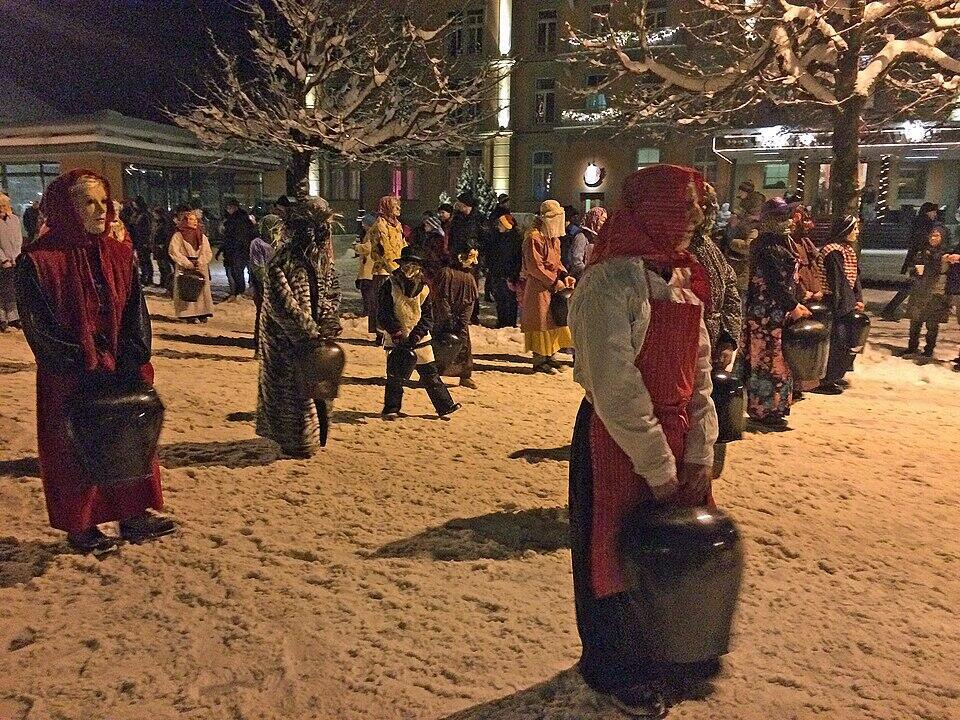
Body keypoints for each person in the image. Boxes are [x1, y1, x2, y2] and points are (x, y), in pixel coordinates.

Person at [567, 165, 719, 718]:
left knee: (670, 558)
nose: (695, 224)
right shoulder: (610, 283)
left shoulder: (678, 279)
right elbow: (612, 384)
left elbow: (699, 374)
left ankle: (665, 657)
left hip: (675, 441)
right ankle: (615, 668)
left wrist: (700, 450)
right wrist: (657, 465)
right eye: (687, 211)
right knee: (615, 554)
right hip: (619, 440)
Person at [14, 169, 173, 554]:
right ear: (67, 208)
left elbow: (136, 308)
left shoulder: (119, 251)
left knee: (129, 436)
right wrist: (79, 362)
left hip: (121, 365)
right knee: (74, 449)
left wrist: (133, 356)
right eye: (89, 202)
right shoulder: (38, 261)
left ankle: (134, 514)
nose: (101, 210)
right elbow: (40, 328)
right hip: (69, 375)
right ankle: (82, 524)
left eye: (104, 202)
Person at [256, 198, 342, 458]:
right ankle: (294, 442)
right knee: (290, 398)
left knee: (318, 393)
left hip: (314, 341)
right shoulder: (281, 263)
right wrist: (309, 332)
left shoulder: (322, 264)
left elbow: (331, 294)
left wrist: (327, 322)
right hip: (286, 344)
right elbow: (283, 306)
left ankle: (315, 436)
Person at [743, 198, 810, 429]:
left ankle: (777, 408)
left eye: (786, 217)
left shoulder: (784, 242)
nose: (787, 221)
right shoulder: (765, 245)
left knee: (779, 362)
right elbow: (774, 282)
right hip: (766, 314)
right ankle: (763, 410)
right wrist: (792, 305)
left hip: (778, 312)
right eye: (780, 217)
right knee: (766, 362)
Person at [378, 246, 461, 420]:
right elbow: (384, 313)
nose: (410, 268)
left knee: (430, 374)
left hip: (420, 339)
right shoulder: (389, 285)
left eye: (414, 265)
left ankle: (445, 406)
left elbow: (428, 317)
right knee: (395, 376)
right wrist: (396, 332)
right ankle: (391, 408)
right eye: (407, 264)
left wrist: (417, 334)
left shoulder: (424, 289)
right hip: (396, 339)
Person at [689, 187, 741, 370]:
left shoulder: (708, 245)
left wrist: (727, 338)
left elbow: (730, 290)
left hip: (712, 340)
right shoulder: (667, 247)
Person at [812, 216, 865, 394]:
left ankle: (834, 375)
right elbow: (838, 281)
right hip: (833, 301)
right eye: (854, 228)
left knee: (842, 343)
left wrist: (858, 299)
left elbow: (854, 278)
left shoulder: (847, 249)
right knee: (834, 342)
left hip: (844, 300)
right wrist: (847, 305)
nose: (857, 232)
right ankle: (824, 379)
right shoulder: (832, 251)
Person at [522, 200, 575, 373]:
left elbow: (557, 261)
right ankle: (539, 360)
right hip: (539, 287)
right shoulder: (533, 237)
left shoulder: (554, 239)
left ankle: (550, 356)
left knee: (552, 322)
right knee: (540, 323)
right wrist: (553, 280)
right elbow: (535, 266)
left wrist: (564, 276)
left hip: (552, 287)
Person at [901, 225, 959, 358]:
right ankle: (912, 347)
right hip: (920, 289)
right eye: (931, 235)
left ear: (943, 237)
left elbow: (944, 270)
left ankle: (929, 349)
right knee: (915, 320)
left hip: (936, 292)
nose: (933, 238)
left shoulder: (946, 254)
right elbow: (913, 266)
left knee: (932, 323)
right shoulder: (923, 250)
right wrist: (914, 271)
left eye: (937, 236)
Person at [882, 202, 940, 320]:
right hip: (919, 259)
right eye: (933, 212)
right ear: (928, 212)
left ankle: (903, 310)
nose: (935, 214)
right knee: (911, 286)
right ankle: (890, 310)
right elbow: (919, 243)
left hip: (916, 258)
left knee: (913, 285)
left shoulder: (920, 222)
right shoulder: (925, 224)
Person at [432, 248, 480, 389]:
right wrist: (447, 318)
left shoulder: (469, 278)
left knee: (463, 347)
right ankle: (433, 376)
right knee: (439, 346)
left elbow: (470, 302)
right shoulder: (446, 273)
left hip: (460, 320)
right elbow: (441, 298)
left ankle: (464, 375)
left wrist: (462, 321)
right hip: (442, 319)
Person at [366, 196, 406, 345]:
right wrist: (393, 268)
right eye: (396, 206)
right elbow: (384, 250)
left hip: (397, 269)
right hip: (384, 270)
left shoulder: (397, 225)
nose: (399, 209)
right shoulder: (380, 225)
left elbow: (402, 245)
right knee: (382, 301)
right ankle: (380, 333)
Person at [169, 206, 214, 323]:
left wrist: (201, 261)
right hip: (185, 266)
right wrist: (186, 263)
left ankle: (202, 312)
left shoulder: (202, 236)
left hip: (199, 266)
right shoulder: (178, 235)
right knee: (187, 288)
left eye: (195, 220)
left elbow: (207, 251)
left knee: (201, 290)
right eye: (191, 219)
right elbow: (174, 251)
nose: (194, 222)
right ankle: (188, 313)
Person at [249, 214, 284, 353]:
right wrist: (267, 284)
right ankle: (260, 346)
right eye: (274, 229)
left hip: (279, 287)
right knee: (263, 316)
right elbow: (258, 267)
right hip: (262, 287)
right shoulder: (257, 243)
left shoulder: (281, 244)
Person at [486, 213, 523, 328]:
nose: (498, 226)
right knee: (500, 299)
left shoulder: (515, 240)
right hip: (497, 273)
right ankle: (501, 321)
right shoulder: (496, 238)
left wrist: (513, 274)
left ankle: (510, 323)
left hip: (509, 275)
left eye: (501, 224)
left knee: (510, 300)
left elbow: (517, 259)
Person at [218, 197, 255, 300]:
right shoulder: (237, 219)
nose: (228, 209)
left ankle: (239, 292)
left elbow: (235, 236)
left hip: (238, 250)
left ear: (235, 207)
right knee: (236, 272)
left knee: (237, 272)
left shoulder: (237, 219)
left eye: (230, 207)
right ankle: (238, 292)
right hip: (237, 250)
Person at [0, 193, 24, 332]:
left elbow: (18, 240)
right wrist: (3, 259)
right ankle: (2, 318)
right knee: (2, 290)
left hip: (15, 260)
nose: (3, 208)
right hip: (3, 262)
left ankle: (14, 317)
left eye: (4, 205)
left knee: (13, 289)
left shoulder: (15, 219)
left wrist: (16, 256)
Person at [353, 212, 378, 336]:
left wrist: (357, 247)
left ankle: (367, 311)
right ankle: (366, 310)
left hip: (369, 268)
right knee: (366, 289)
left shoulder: (371, 233)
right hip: (367, 267)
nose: (363, 225)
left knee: (367, 290)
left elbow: (368, 248)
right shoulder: (369, 233)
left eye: (364, 223)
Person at [569, 207, 608, 280]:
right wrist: (589, 275)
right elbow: (576, 262)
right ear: (594, 220)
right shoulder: (581, 237)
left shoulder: (599, 238)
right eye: (603, 220)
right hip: (582, 280)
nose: (604, 224)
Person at [125, 196, 155, 286]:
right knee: (141, 260)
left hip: (143, 241)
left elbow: (147, 229)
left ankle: (149, 278)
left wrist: (147, 241)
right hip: (137, 240)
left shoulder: (145, 215)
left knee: (146, 260)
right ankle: (144, 277)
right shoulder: (136, 214)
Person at [448, 192, 485, 260]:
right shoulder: (457, 218)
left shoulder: (479, 218)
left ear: (466, 205)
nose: (458, 205)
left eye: (460, 203)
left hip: (473, 255)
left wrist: (475, 247)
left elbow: (484, 236)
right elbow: (452, 234)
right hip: (458, 254)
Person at [152, 206, 175, 293]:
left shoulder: (165, 223)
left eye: (155, 213)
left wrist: (162, 243)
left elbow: (165, 234)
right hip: (157, 246)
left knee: (165, 265)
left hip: (162, 247)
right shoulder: (157, 222)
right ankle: (163, 282)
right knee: (160, 265)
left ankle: (167, 283)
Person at [561, 205, 582, 270]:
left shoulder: (575, 231)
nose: (577, 219)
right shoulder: (572, 230)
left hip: (568, 265)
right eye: (575, 217)